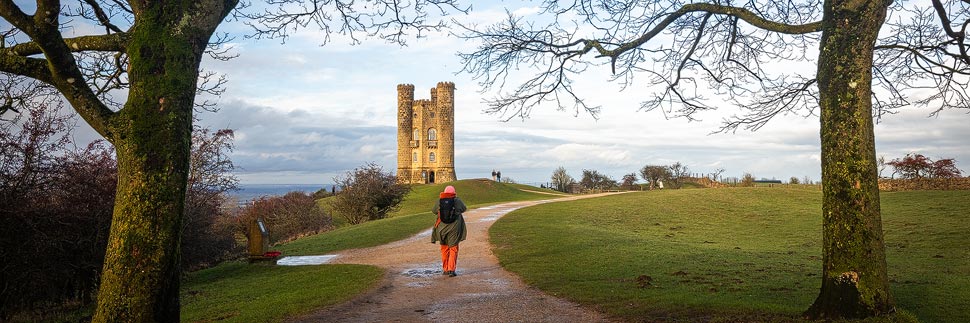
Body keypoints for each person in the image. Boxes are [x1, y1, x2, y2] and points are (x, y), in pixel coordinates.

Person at [431, 185, 467, 277]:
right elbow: (464, 208)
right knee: (453, 248)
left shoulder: (440, 201)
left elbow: (434, 211)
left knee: (444, 248)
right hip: (454, 228)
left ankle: (445, 269)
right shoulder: (457, 200)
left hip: (441, 228)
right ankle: (451, 269)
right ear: (454, 192)